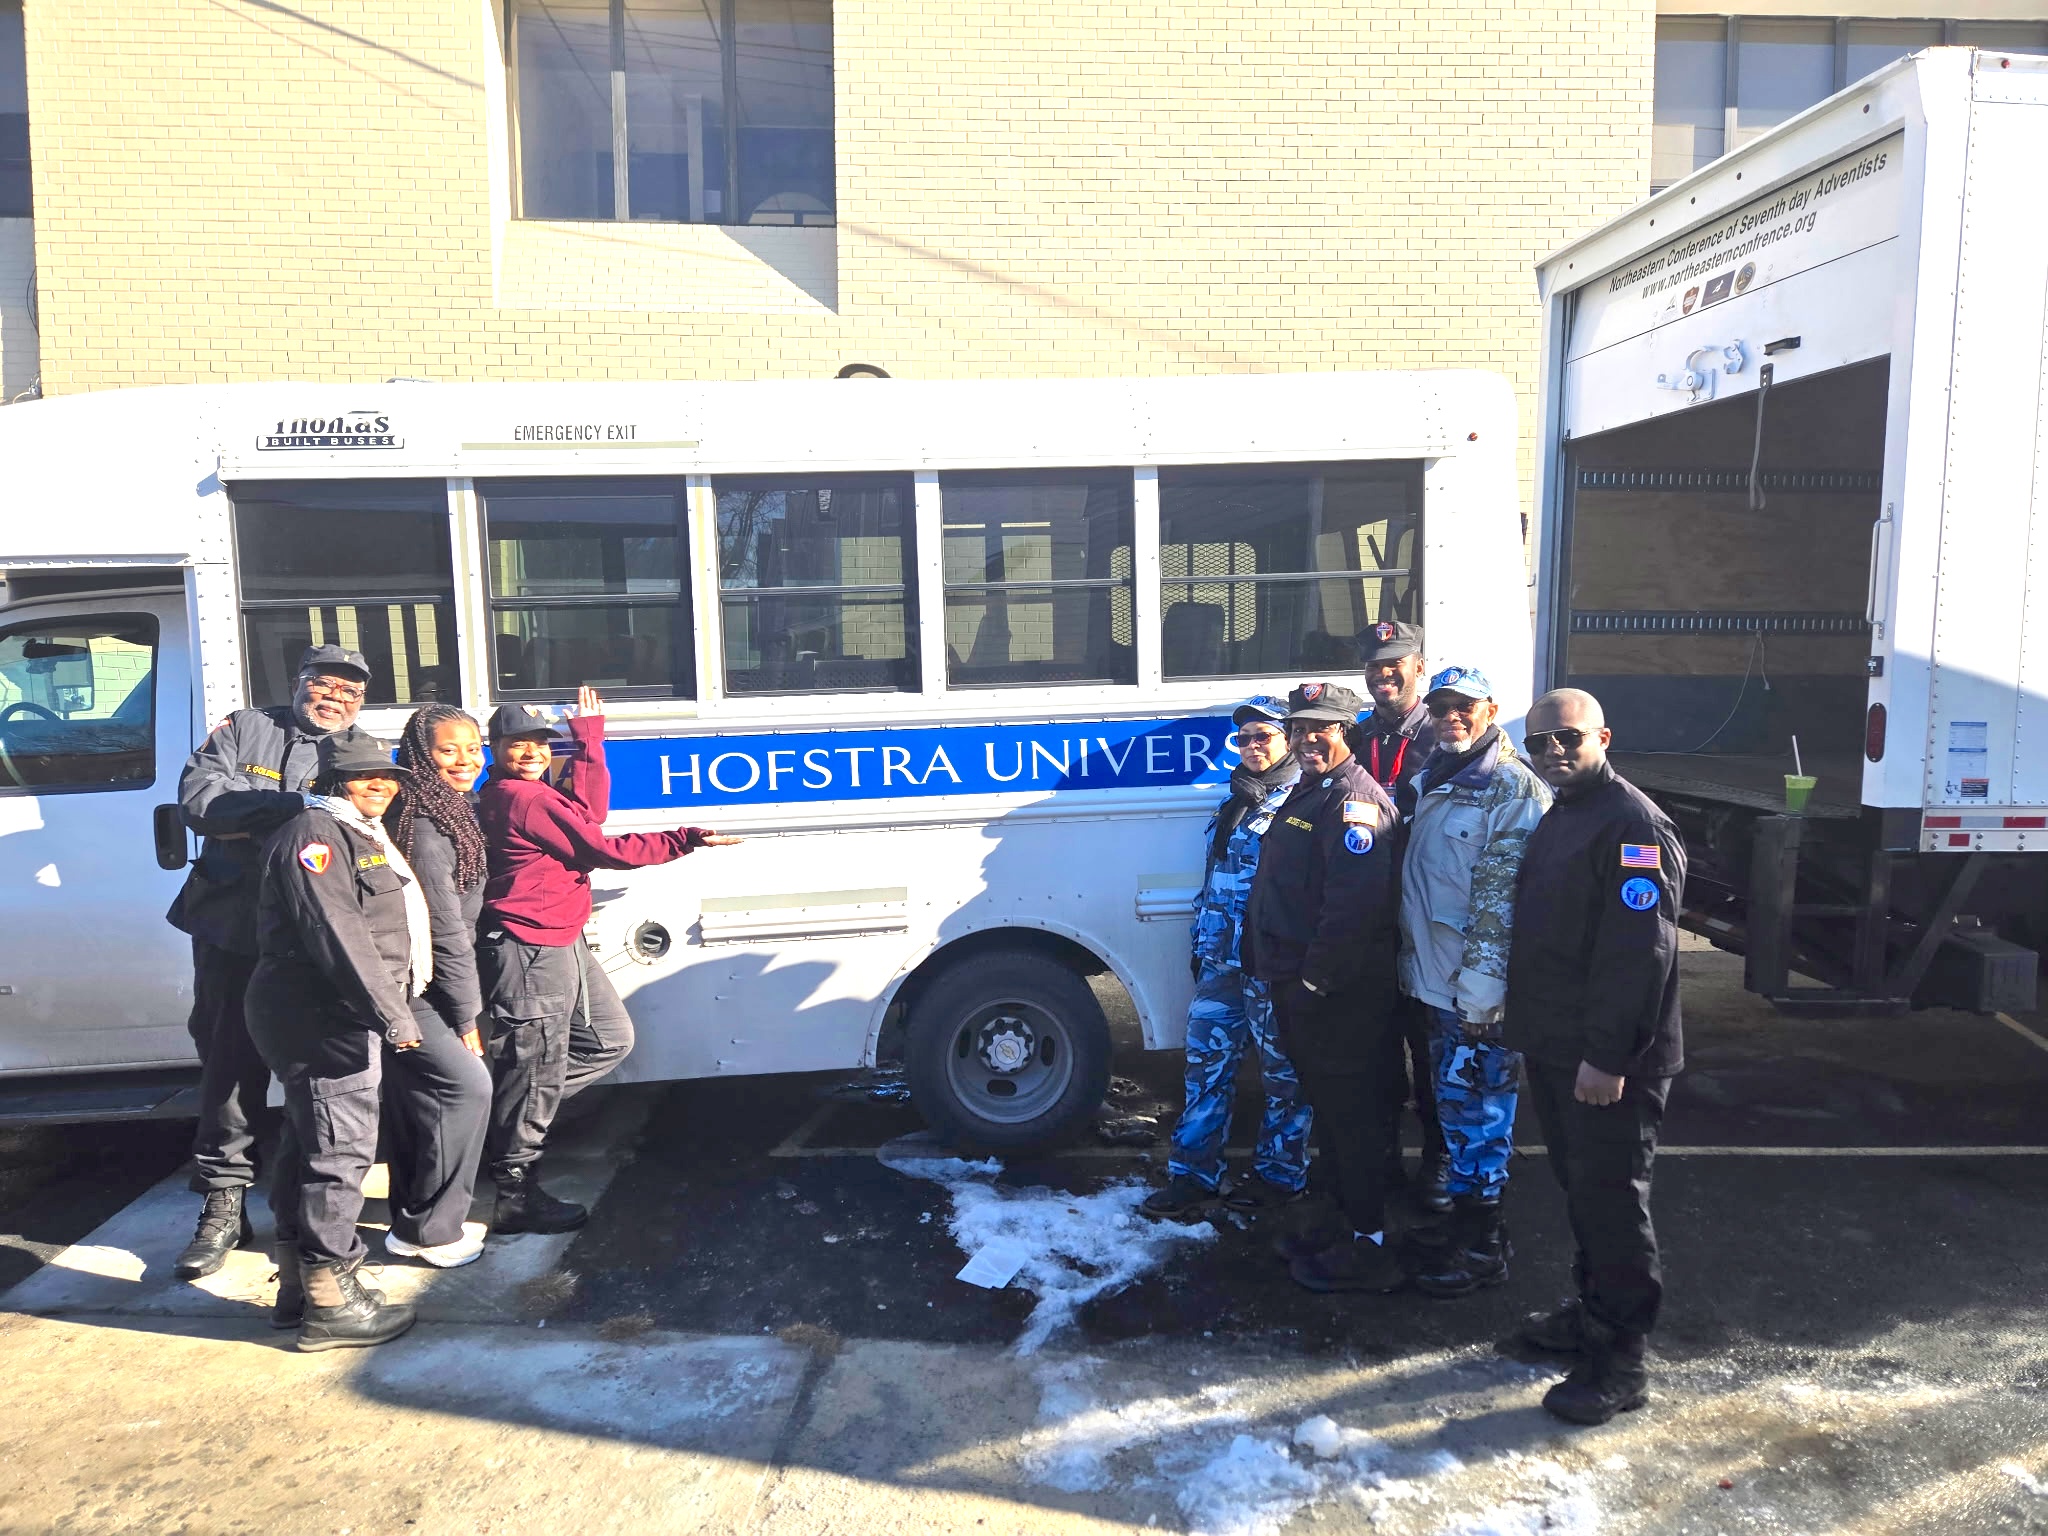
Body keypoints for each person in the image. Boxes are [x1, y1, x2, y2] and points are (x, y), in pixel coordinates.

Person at [477, 689, 741, 1234]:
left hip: (556, 938)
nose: (530, 752)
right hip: (531, 947)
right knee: (537, 1067)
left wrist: (589, 740)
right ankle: (514, 1195)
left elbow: (588, 814)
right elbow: (603, 849)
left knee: (607, 1041)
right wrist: (684, 839)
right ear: (494, 748)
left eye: (539, 743)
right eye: (516, 743)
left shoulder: (530, 793)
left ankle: (501, 1120)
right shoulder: (522, 799)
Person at [163, 644, 375, 1280]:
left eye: (351, 691)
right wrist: (298, 808)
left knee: (324, 1072)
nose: (335, 698)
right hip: (232, 928)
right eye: (325, 684)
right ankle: (223, 1203)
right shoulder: (245, 728)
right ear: (300, 683)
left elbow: (364, 823)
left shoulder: (360, 750)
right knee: (229, 1063)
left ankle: (310, 1208)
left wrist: (249, 816)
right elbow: (201, 804)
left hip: (312, 936)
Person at [1505, 688, 1686, 1426]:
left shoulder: (1634, 825)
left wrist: (1608, 1058)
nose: (1553, 751)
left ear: (1602, 737)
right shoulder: (1567, 811)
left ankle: (1621, 1361)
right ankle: (1592, 1314)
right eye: (1539, 741)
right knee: (1583, 1193)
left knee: (1612, 1204)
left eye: (1568, 738)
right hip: (1559, 1046)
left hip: (1609, 1059)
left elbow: (1638, 955)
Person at [246, 734, 426, 1352]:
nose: (381, 784)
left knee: (309, 1145)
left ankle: (298, 1291)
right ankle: (332, 1303)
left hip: (332, 1013)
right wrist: (394, 1016)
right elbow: (338, 935)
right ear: (331, 782)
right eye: (363, 775)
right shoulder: (316, 836)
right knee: (339, 1153)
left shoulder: (354, 833)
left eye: (388, 775)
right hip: (324, 1016)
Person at [1241, 682, 1405, 1295]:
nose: (1309, 738)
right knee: (1331, 1115)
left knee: (1354, 1117)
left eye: (1323, 728)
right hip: (1300, 984)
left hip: (1338, 996)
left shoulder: (1354, 802)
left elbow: (1354, 907)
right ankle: (1339, 1223)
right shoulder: (1312, 790)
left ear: (1347, 731)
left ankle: (1369, 1244)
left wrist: (1315, 980)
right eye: (1300, 727)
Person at [1397, 664, 1550, 1299]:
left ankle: (1484, 1247)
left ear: (1490, 709)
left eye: (1465, 706)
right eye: (1440, 708)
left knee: (1483, 1114)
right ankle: (1462, 1227)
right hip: (1436, 982)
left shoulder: (1512, 788)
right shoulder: (1434, 777)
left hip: (1477, 993)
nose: (1450, 717)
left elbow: (1501, 903)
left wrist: (1483, 999)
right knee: (1455, 1110)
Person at [1143, 697, 1310, 1219]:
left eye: (1264, 736)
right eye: (1244, 739)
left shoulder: (1303, 803)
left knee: (1283, 1077)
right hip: (1222, 964)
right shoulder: (1234, 800)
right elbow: (1213, 879)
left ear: (1288, 740)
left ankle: (1280, 1177)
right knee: (1205, 1069)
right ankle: (1193, 1175)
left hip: (1272, 967)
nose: (1253, 746)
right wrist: (1201, 943)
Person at [378, 704, 494, 1269]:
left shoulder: (440, 808)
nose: (465, 760)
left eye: (473, 748)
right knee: (466, 1088)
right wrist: (467, 1014)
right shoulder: (425, 828)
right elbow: (444, 930)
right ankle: (432, 1232)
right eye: (449, 750)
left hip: (418, 983)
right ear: (422, 757)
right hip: (414, 986)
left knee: (418, 1101)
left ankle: (412, 1222)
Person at [1351, 618, 1448, 1214]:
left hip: (1427, 916)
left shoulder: (1445, 734)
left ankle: (1438, 1160)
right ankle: (1383, 1157)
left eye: (1395, 663)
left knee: (1431, 1047)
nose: (1383, 674)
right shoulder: (1357, 736)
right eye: (1374, 665)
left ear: (1418, 668)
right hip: (1374, 917)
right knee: (1377, 1046)